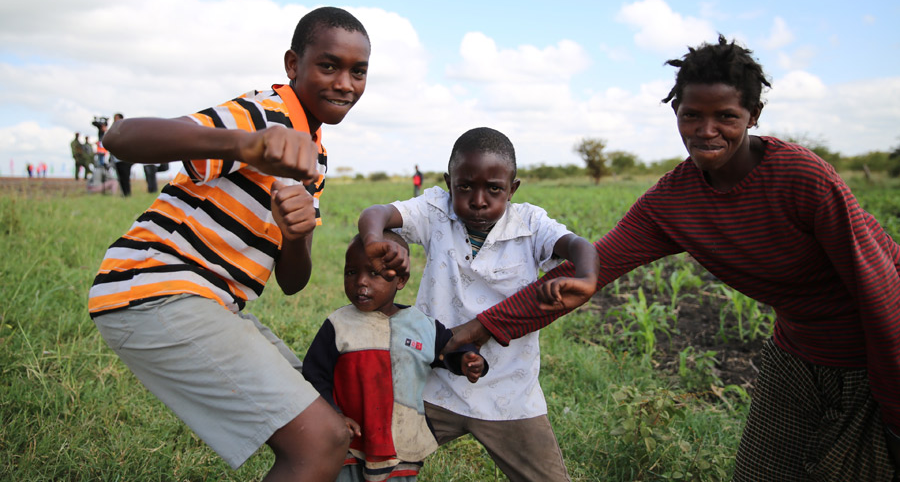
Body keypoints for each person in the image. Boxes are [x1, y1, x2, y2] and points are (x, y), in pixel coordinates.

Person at [451, 36, 900, 481]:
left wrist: (893, 403)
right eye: (692, 115)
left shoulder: (801, 178)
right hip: (796, 352)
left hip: (878, 353)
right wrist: (476, 330)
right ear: (675, 113)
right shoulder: (674, 201)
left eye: (726, 116)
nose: (706, 131)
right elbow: (592, 269)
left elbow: (881, 290)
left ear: (754, 116)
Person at [88, 6, 372, 481]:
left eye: (358, 72)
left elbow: (292, 281)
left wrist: (296, 234)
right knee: (320, 440)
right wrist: (245, 146)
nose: (345, 83)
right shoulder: (267, 113)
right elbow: (123, 137)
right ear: (292, 65)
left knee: (335, 428)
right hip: (156, 290)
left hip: (218, 305)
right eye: (329, 66)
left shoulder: (314, 152)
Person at [358, 127, 599, 482]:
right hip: (432, 382)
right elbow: (376, 213)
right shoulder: (436, 211)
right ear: (449, 182)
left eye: (494, 189)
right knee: (377, 466)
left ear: (513, 188)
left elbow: (580, 246)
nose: (479, 200)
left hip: (510, 392)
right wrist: (374, 238)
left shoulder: (530, 224)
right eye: (465, 187)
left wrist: (587, 276)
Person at [302, 231, 488, 482]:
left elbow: (450, 350)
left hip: (401, 438)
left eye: (374, 274)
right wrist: (334, 414)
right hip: (349, 439)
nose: (360, 282)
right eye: (351, 272)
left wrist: (468, 360)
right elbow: (315, 374)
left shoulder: (422, 326)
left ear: (400, 280)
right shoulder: (338, 324)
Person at [110, 113, 134, 197]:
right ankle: (124, 194)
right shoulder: (113, 130)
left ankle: (127, 194)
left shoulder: (125, 130)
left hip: (125, 159)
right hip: (117, 159)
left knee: (125, 178)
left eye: (116, 118)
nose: (115, 120)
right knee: (121, 178)